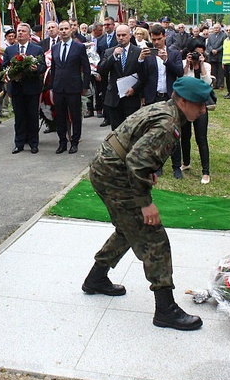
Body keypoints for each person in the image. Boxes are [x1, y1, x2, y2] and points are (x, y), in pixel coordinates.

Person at [82, 77, 213, 331]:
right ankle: (165, 309)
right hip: (113, 174)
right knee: (153, 237)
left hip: (109, 166)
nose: (203, 109)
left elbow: (137, 147)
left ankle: (96, 278)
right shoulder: (168, 123)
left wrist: (148, 169)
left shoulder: (165, 109)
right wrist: (145, 203)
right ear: (183, 101)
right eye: (199, 104)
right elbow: (136, 162)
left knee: (127, 228)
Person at [143, 24, 184, 178]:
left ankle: (176, 166)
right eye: (153, 40)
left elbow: (179, 72)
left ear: (164, 36)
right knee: (155, 134)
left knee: (174, 133)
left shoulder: (174, 54)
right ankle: (157, 165)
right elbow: (143, 76)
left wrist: (166, 60)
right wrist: (141, 60)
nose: (156, 43)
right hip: (153, 97)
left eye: (159, 39)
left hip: (170, 98)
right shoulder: (148, 55)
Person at [2, 23, 47, 154]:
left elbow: (42, 67)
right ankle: (19, 143)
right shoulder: (10, 50)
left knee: (32, 117)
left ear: (29, 34)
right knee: (19, 117)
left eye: (23, 31)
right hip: (16, 89)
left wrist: (35, 69)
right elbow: (4, 67)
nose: (20, 33)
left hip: (32, 88)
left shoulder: (36, 49)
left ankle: (33, 143)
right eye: (19, 31)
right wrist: (11, 73)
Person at [50, 21, 91, 155]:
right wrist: (52, 85)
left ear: (71, 30)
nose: (63, 31)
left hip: (73, 88)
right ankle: (62, 142)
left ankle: (74, 142)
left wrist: (85, 86)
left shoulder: (79, 47)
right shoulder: (55, 48)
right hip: (58, 88)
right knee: (60, 116)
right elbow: (54, 68)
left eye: (66, 28)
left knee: (75, 116)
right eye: (61, 29)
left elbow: (86, 68)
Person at [98, 24, 147, 130]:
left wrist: (135, 89)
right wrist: (113, 57)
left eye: (124, 35)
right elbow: (101, 70)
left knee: (132, 130)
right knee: (116, 131)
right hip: (114, 98)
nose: (121, 38)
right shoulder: (110, 52)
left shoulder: (138, 52)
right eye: (118, 35)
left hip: (131, 98)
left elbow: (143, 75)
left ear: (130, 35)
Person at [180, 46, 216, 184]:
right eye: (193, 54)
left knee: (201, 138)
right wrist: (188, 65)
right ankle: (186, 162)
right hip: (186, 105)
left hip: (200, 106)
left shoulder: (206, 65)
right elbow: (182, 80)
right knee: (185, 135)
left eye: (199, 54)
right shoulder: (185, 64)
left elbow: (207, 82)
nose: (195, 57)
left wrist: (200, 65)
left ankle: (206, 172)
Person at [206, 23, 226, 89]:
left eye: (217, 28)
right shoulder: (210, 36)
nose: (216, 29)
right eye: (214, 28)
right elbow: (208, 45)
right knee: (213, 71)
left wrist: (217, 50)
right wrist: (212, 50)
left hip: (219, 55)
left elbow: (224, 45)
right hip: (212, 56)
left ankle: (220, 85)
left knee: (220, 71)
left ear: (220, 28)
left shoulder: (224, 35)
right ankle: (214, 84)